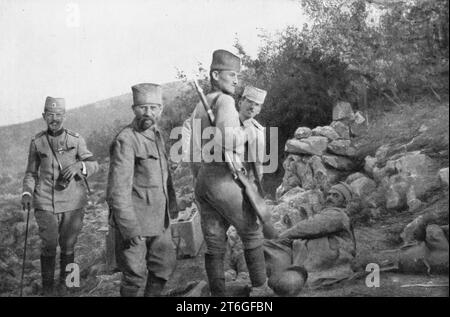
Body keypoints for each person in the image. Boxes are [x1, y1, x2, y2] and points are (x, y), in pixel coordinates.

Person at [192, 49, 271, 296]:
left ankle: (219, 296)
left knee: (214, 243)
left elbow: (193, 151)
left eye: (238, 76)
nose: (236, 80)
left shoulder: (199, 106)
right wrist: (248, 130)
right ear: (216, 75)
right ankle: (261, 290)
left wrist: (200, 179)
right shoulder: (224, 101)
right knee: (252, 231)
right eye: (232, 75)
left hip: (204, 180)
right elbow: (230, 140)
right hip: (224, 179)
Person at [21, 96, 99, 296]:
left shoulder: (76, 139)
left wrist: (78, 166)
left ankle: (69, 285)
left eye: (58, 115)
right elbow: (31, 173)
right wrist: (27, 192)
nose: (54, 119)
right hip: (45, 201)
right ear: (43, 116)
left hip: (73, 202)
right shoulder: (37, 142)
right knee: (48, 244)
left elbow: (94, 164)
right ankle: (48, 289)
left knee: (69, 245)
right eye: (50, 115)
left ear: (64, 116)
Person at [106, 83, 178, 297]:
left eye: (154, 108)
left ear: (161, 109)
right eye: (142, 107)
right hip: (135, 222)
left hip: (159, 218)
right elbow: (117, 192)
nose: (148, 113)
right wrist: (130, 229)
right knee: (134, 276)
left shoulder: (156, 134)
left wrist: (172, 209)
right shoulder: (125, 140)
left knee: (164, 267)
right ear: (133, 109)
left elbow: (164, 176)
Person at [264, 182, 357, 292]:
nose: (330, 197)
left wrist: (283, 236)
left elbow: (311, 226)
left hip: (328, 260)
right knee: (265, 247)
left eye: (336, 195)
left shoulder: (338, 214)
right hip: (307, 258)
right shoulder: (326, 213)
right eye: (329, 194)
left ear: (345, 202)